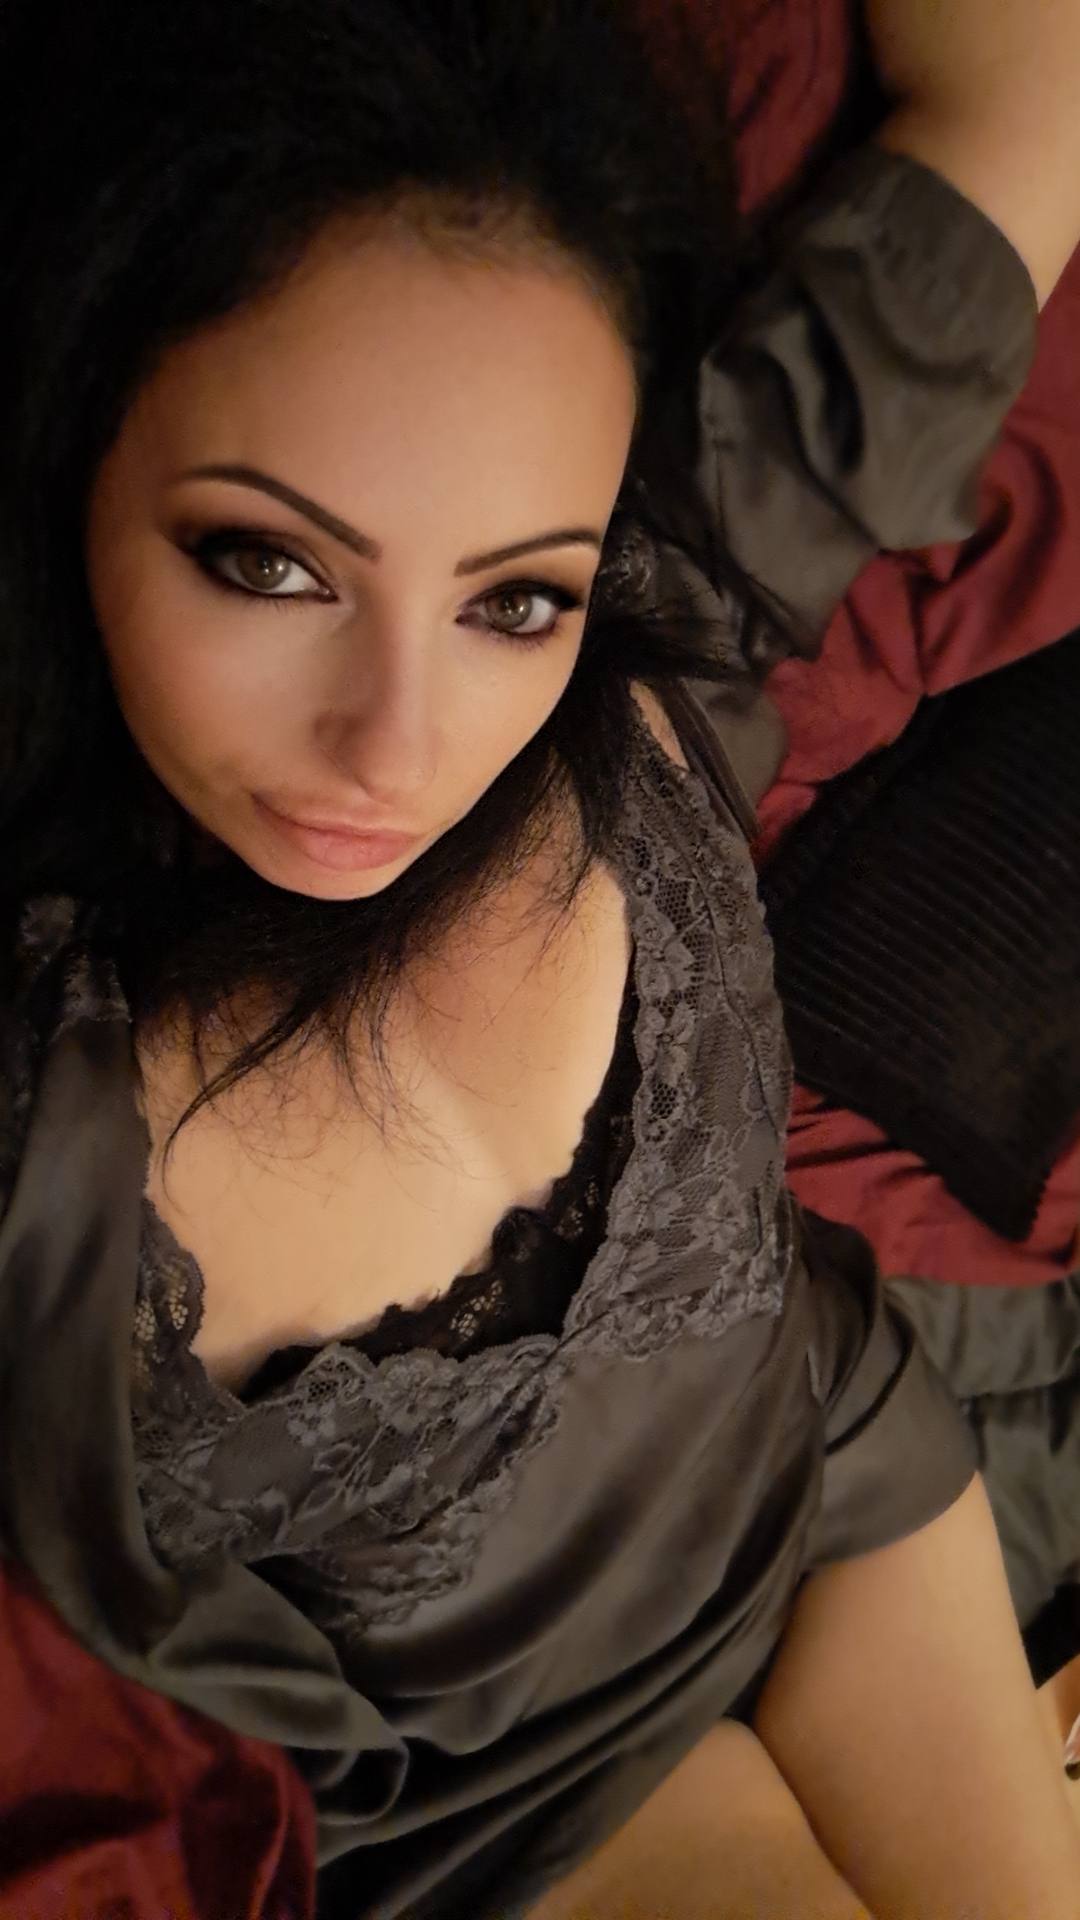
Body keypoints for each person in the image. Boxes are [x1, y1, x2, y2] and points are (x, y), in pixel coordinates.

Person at [1, 2, 1079, 1915]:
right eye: (268, 563)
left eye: (512, 597)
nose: (399, 750)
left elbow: (1030, 103)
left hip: (840, 1481)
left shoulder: (660, 643)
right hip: (500, 1813)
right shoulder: (45, 1154)